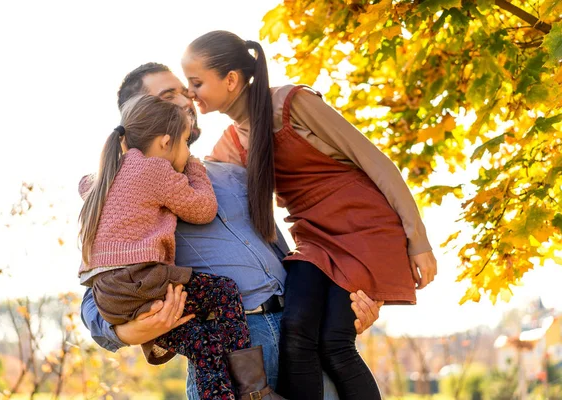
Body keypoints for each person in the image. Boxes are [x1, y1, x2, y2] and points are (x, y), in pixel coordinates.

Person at [80, 62, 383, 400]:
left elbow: (284, 249)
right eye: (169, 97)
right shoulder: (123, 193)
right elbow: (98, 290)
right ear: (137, 116)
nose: (186, 101)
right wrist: (128, 331)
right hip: (234, 349)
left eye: (185, 92)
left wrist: (342, 303)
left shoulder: (232, 172)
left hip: (302, 333)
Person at [181, 31, 438, 400]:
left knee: (335, 343)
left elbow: (376, 162)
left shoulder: (291, 103)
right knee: (295, 331)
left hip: (364, 228)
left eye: (196, 83)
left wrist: (419, 241)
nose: (191, 93)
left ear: (231, 80)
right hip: (314, 240)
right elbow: (193, 181)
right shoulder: (232, 144)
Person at [78, 94, 284, 400]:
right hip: (144, 281)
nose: (188, 150)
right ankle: (254, 390)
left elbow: (85, 184)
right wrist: (194, 169)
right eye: (186, 143)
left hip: (113, 295)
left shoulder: (103, 177)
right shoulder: (155, 171)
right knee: (224, 292)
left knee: (204, 343)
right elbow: (202, 210)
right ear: (164, 142)